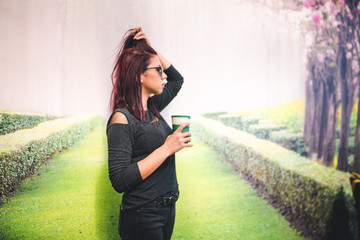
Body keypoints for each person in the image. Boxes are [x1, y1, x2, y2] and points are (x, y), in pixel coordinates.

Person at [106, 26, 193, 240]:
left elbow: (177, 80)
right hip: (142, 215)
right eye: (158, 70)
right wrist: (166, 148)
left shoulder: (152, 107)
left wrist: (151, 50)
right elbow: (119, 180)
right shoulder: (121, 118)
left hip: (166, 210)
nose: (164, 75)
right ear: (139, 76)